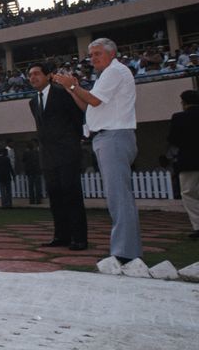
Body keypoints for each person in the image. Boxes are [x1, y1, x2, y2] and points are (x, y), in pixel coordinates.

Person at [54, 37, 142, 271]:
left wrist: (72, 85)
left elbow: (91, 99)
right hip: (107, 136)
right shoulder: (108, 74)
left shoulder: (115, 72)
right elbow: (87, 105)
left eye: (97, 54)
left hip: (113, 136)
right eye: (91, 55)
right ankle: (125, 249)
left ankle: (125, 252)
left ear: (111, 54)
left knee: (118, 196)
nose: (92, 59)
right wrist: (70, 87)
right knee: (117, 195)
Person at [28, 62, 88, 250]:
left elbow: (77, 117)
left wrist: (74, 141)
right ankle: (61, 236)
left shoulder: (62, 93)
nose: (33, 78)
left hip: (67, 152)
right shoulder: (33, 101)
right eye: (30, 75)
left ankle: (79, 238)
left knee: (72, 195)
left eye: (37, 73)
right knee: (55, 197)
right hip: (47, 156)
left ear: (48, 76)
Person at [167, 90, 199, 239]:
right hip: (190, 159)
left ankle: (198, 225)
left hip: (189, 160)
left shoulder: (179, 118)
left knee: (189, 193)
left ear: (184, 103)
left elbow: (173, 138)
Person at [22, 140, 42, 205]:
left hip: (30, 172)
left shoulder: (26, 153)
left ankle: (31, 201)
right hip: (37, 171)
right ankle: (38, 200)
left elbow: (23, 160)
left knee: (30, 187)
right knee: (37, 186)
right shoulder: (37, 152)